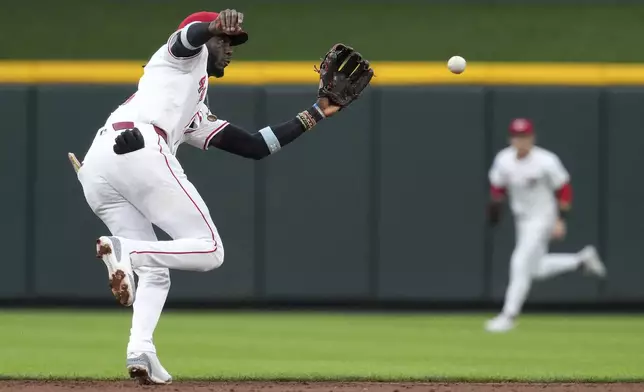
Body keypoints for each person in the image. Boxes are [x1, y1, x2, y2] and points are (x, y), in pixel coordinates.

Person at [75, 9, 373, 384]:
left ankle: (141, 351)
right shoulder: (178, 59)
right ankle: (126, 250)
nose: (229, 49)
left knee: (157, 272)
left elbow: (254, 146)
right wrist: (210, 28)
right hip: (140, 148)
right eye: (224, 41)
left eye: (232, 43)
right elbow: (185, 38)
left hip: (100, 168)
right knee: (209, 249)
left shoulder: (193, 109)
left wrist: (318, 112)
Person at [485, 118, 606, 333]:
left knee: (519, 262)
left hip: (543, 217)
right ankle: (580, 260)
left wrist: (561, 219)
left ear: (532, 138)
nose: (520, 140)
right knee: (535, 269)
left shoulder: (546, 160)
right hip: (522, 219)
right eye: (516, 136)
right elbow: (498, 187)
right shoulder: (503, 159)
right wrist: (496, 205)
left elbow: (564, 189)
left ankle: (508, 316)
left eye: (524, 136)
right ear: (510, 138)